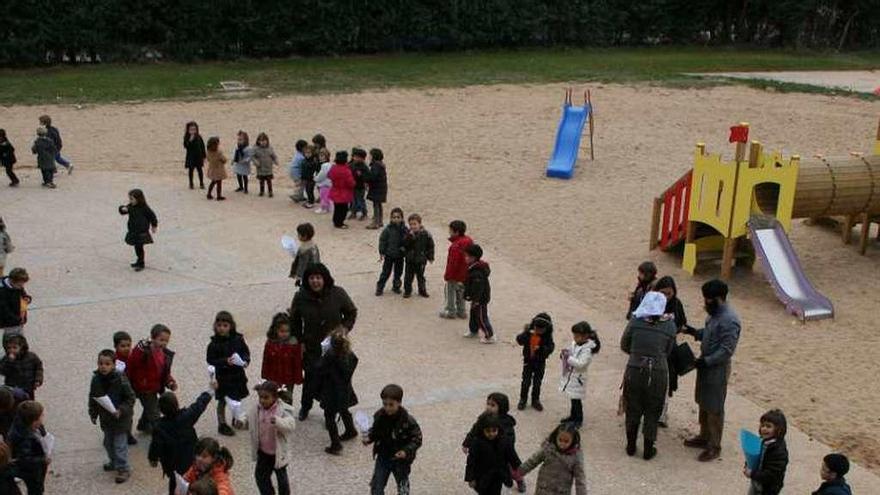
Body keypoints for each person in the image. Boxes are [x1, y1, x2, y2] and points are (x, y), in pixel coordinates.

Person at [289, 263, 357, 420]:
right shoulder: (300, 297)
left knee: (333, 381)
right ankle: (305, 407)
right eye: (312, 278)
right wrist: (300, 342)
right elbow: (295, 322)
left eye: (318, 277)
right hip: (312, 347)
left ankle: (331, 414)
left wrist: (344, 329)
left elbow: (351, 313)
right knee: (310, 380)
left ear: (325, 278)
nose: (315, 281)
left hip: (335, 348)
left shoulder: (338, 293)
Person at [682, 279, 741, 462]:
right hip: (706, 365)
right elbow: (709, 334)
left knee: (714, 407)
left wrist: (705, 362)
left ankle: (714, 445)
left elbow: (726, 350)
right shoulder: (714, 315)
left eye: (708, 299)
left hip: (717, 369)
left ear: (720, 298)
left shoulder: (730, 320)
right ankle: (704, 436)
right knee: (703, 401)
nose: (705, 303)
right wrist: (692, 331)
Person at [620, 291, 676, 460]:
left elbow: (624, 344)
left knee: (633, 407)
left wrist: (637, 353)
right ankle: (648, 448)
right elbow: (668, 350)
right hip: (658, 372)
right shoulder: (669, 325)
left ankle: (631, 445)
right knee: (653, 410)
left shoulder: (636, 321)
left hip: (635, 369)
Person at [149, 389, 212, 495]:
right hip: (191, 462)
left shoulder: (159, 428)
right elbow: (198, 406)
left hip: (173, 467)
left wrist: (153, 459)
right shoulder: (186, 417)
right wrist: (210, 392)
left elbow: (156, 446)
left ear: (160, 410)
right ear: (177, 404)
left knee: (175, 486)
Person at [364, 384, 422, 495]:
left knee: (402, 486)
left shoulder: (408, 421)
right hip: (383, 456)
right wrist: (369, 438)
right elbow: (375, 432)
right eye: (385, 404)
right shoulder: (379, 416)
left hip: (400, 460)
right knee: (377, 486)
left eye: (391, 405)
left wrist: (406, 451)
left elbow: (417, 439)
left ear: (399, 403)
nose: (387, 408)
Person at [88, 349, 136, 483]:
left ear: (114, 365)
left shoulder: (121, 379)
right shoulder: (96, 379)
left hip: (121, 420)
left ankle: (123, 468)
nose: (103, 366)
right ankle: (113, 462)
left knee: (120, 445)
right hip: (106, 419)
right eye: (101, 363)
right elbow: (93, 397)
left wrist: (121, 410)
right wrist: (93, 413)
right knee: (108, 443)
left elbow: (131, 398)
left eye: (107, 364)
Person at [461, 393, 524, 493]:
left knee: (512, 471)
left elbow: (511, 450)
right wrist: (466, 443)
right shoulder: (483, 422)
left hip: (500, 463)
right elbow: (474, 432)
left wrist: (520, 467)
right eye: (488, 404)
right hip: (483, 471)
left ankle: (520, 480)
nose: (489, 407)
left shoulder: (506, 424)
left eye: (493, 405)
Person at [126, 324, 177, 434]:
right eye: (161, 340)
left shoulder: (163, 354)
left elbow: (164, 371)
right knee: (154, 412)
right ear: (153, 338)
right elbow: (133, 362)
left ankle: (144, 424)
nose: (164, 343)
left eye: (166, 341)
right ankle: (160, 433)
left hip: (154, 387)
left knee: (150, 406)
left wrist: (170, 381)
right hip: (144, 388)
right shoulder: (143, 352)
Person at [206, 311, 250, 436]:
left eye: (225, 325)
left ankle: (236, 418)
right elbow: (210, 360)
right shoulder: (213, 344)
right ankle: (222, 423)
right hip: (223, 377)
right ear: (215, 326)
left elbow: (245, 352)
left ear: (231, 326)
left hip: (237, 375)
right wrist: (225, 361)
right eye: (219, 325)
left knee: (236, 398)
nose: (222, 328)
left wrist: (245, 361)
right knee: (223, 400)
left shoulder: (238, 339)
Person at [248, 381, 296, 495]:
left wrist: (278, 422)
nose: (262, 400)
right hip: (263, 452)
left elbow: (291, 425)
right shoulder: (257, 409)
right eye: (260, 397)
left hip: (278, 453)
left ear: (275, 397)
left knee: (282, 480)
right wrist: (243, 422)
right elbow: (251, 421)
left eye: (266, 397)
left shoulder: (283, 410)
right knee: (260, 477)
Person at [316, 332, 359, 454]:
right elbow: (354, 361)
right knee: (344, 410)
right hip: (345, 390)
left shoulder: (330, 356)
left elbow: (319, 368)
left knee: (329, 417)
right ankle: (350, 430)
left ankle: (335, 444)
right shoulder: (349, 355)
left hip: (331, 392)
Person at [515, 422, 587, 495]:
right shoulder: (548, 448)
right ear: (556, 437)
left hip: (561, 491)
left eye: (566, 441)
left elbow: (580, 479)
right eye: (560, 440)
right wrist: (521, 470)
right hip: (543, 488)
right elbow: (534, 460)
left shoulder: (576, 457)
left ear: (573, 441)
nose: (562, 443)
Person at [653, 275, 687, 428]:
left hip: (669, 350)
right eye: (663, 293)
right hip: (653, 348)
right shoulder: (651, 303)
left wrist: (672, 328)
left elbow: (682, 322)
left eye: (669, 293)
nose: (666, 297)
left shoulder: (676, 304)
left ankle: (662, 413)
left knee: (666, 383)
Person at [464, 413, 518, 495]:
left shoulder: (504, 440)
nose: (491, 434)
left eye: (494, 430)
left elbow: (511, 455)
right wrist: (471, 478)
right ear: (482, 430)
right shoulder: (477, 442)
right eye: (488, 431)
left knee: (496, 491)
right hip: (482, 476)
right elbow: (471, 461)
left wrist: (519, 468)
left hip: (498, 475)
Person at [559, 322, 600, 428]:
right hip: (572, 377)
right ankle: (573, 416)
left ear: (585, 336)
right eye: (574, 335)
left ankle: (578, 420)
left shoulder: (587, 350)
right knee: (573, 398)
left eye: (577, 336)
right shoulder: (575, 343)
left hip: (578, 378)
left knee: (577, 400)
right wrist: (565, 354)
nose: (575, 338)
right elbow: (571, 351)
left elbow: (581, 364)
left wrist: (568, 358)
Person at [743, 409, 789, 495]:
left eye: (768, 426)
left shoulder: (779, 451)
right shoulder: (763, 441)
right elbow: (755, 457)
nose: (764, 429)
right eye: (762, 425)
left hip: (769, 488)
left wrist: (752, 474)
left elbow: (772, 474)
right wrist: (748, 465)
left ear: (778, 429)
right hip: (757, 481)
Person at [7, 400, 48, 495]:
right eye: (41, 416)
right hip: (31, 471)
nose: (43, 418)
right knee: (36, 489)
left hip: (36, 466)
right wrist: (42, 460)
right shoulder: (24, 439)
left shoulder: (22, 424)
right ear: (34, 421)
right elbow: (25, 459)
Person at [261, 313, 303, 404]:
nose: (284, 334)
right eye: (282, 331)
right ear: (275, 330)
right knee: (273, 399)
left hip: (288, 379)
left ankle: (287, 416)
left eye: (287, 331)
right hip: (273, 377)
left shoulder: (294, 345)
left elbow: (297, 363)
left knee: (287, 399)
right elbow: (266, 360)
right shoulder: (270, 344)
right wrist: (265, 374)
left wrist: (298, 378)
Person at [516, 313, 554, 411]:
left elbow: (550, 348)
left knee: (537, 383)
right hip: (528, 362)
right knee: (525, 382)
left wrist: (541, 348)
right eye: (537, 328)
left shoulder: (547, 337)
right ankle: (523, 399)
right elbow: (519, 340)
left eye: (542, 329)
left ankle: (535, 400)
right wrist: (526, 333)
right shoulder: (529, 333)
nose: (539, 331)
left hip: (540, 363)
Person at [118, 188, 158, 271]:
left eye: (132, 199)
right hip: (133, 231)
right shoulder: (131, 206)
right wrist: (122, 208)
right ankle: (139, 261)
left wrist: (154, 226)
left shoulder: (144, 208)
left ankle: (141, 263)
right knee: (137, 247)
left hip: (141, 232)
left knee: (139, 247)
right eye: (130, 199)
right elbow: (124, 211)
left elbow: (152, 216)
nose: (130, 200)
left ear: (139, 199)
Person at [439, 220, 472, 319]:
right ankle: (462, 311)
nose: (449, 232)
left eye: (450, 230)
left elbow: (453, 263)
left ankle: (450, 311)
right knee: (461, 292)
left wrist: (448, 275)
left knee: (450, 292)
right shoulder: (469, 241)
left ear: (456, 232)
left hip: (455, 275)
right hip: (465, 274)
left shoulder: (455, 246)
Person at [463, 244, 495, 344]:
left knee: (481, 316)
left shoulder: (477, 272)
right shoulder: (473, 268)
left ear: (473, 258)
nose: (465, 258)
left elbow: (478, 289)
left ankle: (489, 336)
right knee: (473, 315)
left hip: (480, 299)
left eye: (467, 256)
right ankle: (473, 330)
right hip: (475, 298)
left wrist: (476, 300)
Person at [112, 331, 138, 445]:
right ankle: (124, 434)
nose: (127, 348)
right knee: (123, 414)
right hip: (119, 393)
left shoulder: (132, 356)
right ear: (116, 347)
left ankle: (127, 433)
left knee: (129, 414)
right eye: (123, 346)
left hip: (130, 390)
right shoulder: (113, 361)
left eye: (128, 345)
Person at [375, 208, 408, 296]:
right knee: (385, 272)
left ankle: (396, 287)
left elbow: (408, 241)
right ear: (391, 218)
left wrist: (405, 249)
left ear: (402, 218)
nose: (396, 219)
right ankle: (380, 287)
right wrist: (382, 252)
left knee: (398, 273)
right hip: (389, 255)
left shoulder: (405, 229)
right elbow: (382, 240)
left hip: (400, 255)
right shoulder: (387, 230)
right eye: (394, 217)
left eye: (398, 217)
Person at [1, 334, 43, 400]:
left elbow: (38, 368)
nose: (11, 350)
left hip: (28, 387)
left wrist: (38, 380)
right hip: (12, 387)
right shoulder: (6, 359)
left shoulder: (31, 357)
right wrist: (9, 362)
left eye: (14, 347)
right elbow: (2, 371)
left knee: (28, 404)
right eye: (9, 348)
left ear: (21, 347)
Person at [402, 213, 434, 298]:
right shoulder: (408, 234)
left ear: (420, 224)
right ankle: (407, 291)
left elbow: (430, 246)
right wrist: (410, 237)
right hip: (410, 260)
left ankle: (422, 290)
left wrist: (430, 257)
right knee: (408, 277)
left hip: (421, 260)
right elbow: (405, 244)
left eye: (415, 224)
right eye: (411, 224)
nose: (413, 226)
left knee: (421, 277)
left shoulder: (426, 234)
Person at [328, 151, 356, 228]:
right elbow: (351, 183)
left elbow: (329, 175)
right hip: (344, 192)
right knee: (343, 209)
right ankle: (339, 223)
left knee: (337, 208)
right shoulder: (346, 171)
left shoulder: (333, 168)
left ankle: (336, 221)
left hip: (335, 190)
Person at [0, 268, 30, 335]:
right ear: (11, 280)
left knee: (19, 337)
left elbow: (22, 292)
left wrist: (26, 297)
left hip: (18, 318)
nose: (21, 287)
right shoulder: (2, 292)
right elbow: (4, 310)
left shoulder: (16, 284)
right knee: (13, 340)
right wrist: (17, 319)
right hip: (10, 323)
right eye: (19, 285)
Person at [365, 148, 388, 229]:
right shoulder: (380, 164)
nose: (369, 157)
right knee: (378, 204)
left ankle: (376, 222)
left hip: (377, 188)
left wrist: (366, 178)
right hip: (381, 187)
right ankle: (380, 221)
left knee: (376, 205)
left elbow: (373, 176)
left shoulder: (376, 165)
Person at [252, 132, 278, 197]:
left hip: (268, 168)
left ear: (267, 141)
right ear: (258, 141)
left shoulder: (270, 148)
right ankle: (261, 191)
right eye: (261, 141)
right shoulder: (255, 149)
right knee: (261, 181)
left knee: (269, 181)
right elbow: (252, 156)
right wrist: (255, 162)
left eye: (264, 140)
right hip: (260, 168)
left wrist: (275, 160)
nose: (263, 142)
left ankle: (270, 191)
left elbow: (273, 155)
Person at [183, 121, 207, 190]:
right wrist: (190, 140)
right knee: (191, 170)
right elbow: (185, 146)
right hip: (191, 157)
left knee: (200, 170)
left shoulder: (199, 137)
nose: (193, 131)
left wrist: (204, 156)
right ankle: (191, 183)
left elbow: (202, 147)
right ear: (188, 130)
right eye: (191, 129)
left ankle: (201, 183)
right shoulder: (186, 137)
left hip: (198, 156)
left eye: (194, 129)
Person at [349, 148, 370, 220]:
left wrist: (361, 175)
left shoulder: (364, 167)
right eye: (354, 156)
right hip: (353, 186)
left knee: (360, 200)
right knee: (353, 200)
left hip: (360, 187)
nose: (355, 158)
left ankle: (364, 213)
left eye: (357, 157)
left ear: (362, 158)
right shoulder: (352, 165)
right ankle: (353, 213)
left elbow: (367, 177)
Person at [205, 136, 228, 201]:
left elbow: (208, 159)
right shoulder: (219, 153)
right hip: (218, 170)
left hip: (212, 169)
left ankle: (209, 194)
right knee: (219, 183)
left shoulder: (208, 152)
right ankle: (219, 196)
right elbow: (224, 160)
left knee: (213, 182)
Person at [313, 148, 333, 214]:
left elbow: (322, 174)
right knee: (325, 196)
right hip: (327, 183)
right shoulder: (327, 165)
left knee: (323, 196)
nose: (320, 158)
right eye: (320, 156)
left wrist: (316, 178)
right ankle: (327, 207)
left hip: (325, 184)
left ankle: (324, 208)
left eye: (322, 156)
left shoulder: (325, 165)